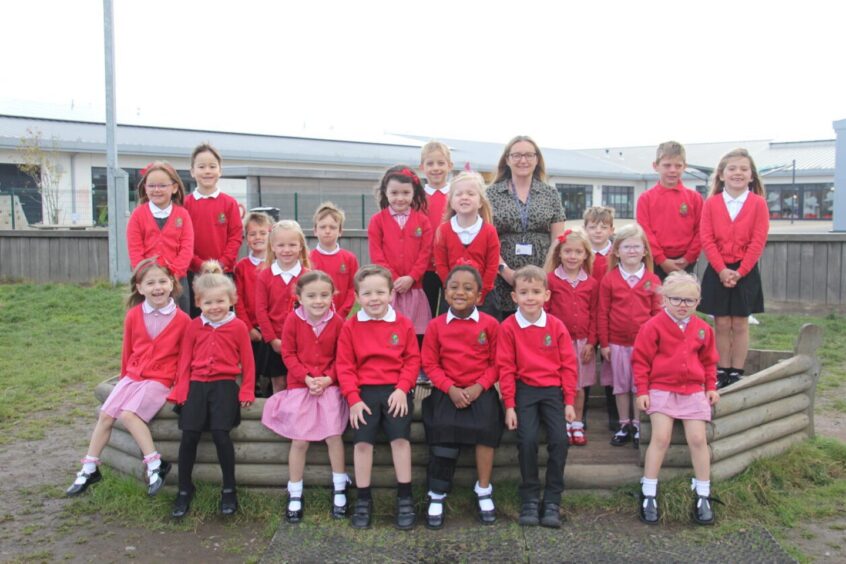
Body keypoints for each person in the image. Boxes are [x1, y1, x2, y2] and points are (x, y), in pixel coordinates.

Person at [66, 258, 190, 497]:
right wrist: (124, 382)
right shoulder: (134, 315)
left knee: (128, 414)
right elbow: (127, 351)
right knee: (106, 415)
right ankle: (90, 467)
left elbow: (185, 360)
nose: (157, 287)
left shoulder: (182, 319)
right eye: (150, 283)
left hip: (161, 379)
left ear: (172, 284)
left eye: (163, 281)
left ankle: (156, 465)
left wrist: (179, 391)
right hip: (133, 376)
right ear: (140, 288)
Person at [168, 261, 255, 518]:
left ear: (231, 300)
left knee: (220, 434)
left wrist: (247, 389)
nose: (214, 307)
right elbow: (184, 359)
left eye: (220, 301)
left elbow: (248, 362)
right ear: (198, 303)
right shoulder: (194, 326)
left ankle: (229, 488)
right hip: (197, 385)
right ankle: (184, 489)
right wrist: (181, 390)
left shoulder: (237, 326)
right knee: (189, 435)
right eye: (208, 303)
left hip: (224, 385)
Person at [335, 265, 420, 530]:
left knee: (400, 440)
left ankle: (405, 498)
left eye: (380, 292)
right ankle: (363, 499)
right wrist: (353, 398)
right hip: (363, 392)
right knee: (362, 444)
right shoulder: (350, 327)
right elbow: (344, 366)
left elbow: (412, 360)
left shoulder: (403, 324)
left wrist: (402, 388)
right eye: (367, 293)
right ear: (358, 297)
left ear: (390, 294)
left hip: (396, 390)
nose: (374, 298)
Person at [261, 271, 350, 523]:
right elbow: (288, 354)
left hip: (329, 385)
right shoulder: (293, 320)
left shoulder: (338, 322)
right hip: (302, 385)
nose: (318, 301)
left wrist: (329, 379)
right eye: (311, 296)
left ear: (332, 296)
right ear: (299, 297)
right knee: (299, 441)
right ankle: (295, 490)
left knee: (334, 436)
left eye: (324, 295)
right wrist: (307, 378)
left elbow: (341, 356)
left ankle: (340, 486)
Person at [634, 272, 720, 525]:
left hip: (692, 390)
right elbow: (641, 361)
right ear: (664, 299)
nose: (683, 305)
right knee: (661, 437)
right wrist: (642, 391)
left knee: (697, 438)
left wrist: (710, 386)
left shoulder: (703, 329)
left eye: (689, 301)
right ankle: (649, 491)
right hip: (662, 388)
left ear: (698, 302)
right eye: (676, 299)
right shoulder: (652, 327)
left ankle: (702, 493)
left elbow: (709, 362)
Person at [421, 265, 503, 529]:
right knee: (443, 427)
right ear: (445, 293)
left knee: (486, 427)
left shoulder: (490, 324)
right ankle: (437, 492)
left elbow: (497, 363)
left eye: (468, 288)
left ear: (479, 296)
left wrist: (479, 387)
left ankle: (483, 488)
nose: (460, 292)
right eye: (454, 287)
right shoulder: (435, 326)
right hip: (448, 390)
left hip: (480, 388)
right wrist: (450, 388)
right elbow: (430, 364)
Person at [498, 265, 578, 529]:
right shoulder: (509, 327)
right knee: (528, 439)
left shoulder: (555, 326)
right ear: (514, 297)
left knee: (559, 440)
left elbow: (568, 365)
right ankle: (530, 497)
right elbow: (506, 368)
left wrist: (569, 401)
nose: (529, 297)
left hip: (553, 392)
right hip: (525, 391)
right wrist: (509, 405)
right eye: (523, 292)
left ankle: (553, 499)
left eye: (535, 291)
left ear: (546, 295)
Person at [699, 148, 769, 388]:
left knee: (740, 323)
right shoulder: (711, 204)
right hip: (717, 269)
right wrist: (721, 270)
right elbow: (706, 238)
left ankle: (736, 371)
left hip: (745, 272)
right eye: (732, 168)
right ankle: (722, 370)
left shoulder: (758, 204)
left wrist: (740, 272)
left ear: (751, 176)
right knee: (721, 323)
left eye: (743, 169)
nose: (737, 173)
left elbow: (758, 241)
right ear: (721, 174)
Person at [597, 224, 662, 449]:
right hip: (616, 344)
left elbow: (657, 315)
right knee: (621, 385)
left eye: (637, 246)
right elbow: (602, 313)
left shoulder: (652, 280)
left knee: (639, 385)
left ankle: (638, 425)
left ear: (645, 251)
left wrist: (655, 344)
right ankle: (624, 424)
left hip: (643, 347)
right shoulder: (610, 280)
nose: (632, 251)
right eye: (627, 247)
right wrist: (604, 343)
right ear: (616, 251)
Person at [488, 136, 566, 320]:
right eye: (516, 155)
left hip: (540, 281)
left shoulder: (550, 194)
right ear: (507, 159)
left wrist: (543, 275)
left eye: (529, 155)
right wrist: (505, 272)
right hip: (501, 280)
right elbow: (486, 239)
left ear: (537, 159)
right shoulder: (490, 194)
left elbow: (558, 239)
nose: (523, 160)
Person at [367, 165, 433, 346]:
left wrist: (411, 277)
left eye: (405, 193)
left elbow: (425, 253)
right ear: (385, 193)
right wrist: (394, 279)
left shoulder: (423, 221)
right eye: (394, 193)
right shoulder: (377, 221)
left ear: (414, 193)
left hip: (415, 287)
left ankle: (417, 366)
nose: (400, 198)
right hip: (391, 288)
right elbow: (377, 254)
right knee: (390, 330)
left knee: (417, 331)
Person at [544, 228, 598, 447]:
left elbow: (594, 314)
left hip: (582, 342)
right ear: (560, 253)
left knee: (579, 387)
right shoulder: (551, 280)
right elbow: (545, 312)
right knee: (562, 385)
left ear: (585, 255)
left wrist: (592, 343)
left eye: (578, 252)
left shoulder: (591, 283)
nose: (573, 256)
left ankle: (577, 423)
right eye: (568, 251)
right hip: (560, 343)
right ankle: (563, 424)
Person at [184, 143, 243, 317]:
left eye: (212, 166)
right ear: (192, 171)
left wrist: (222, 264)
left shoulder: (229, 203)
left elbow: (235, 236)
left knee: (223, 317)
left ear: (220, 170)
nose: (207, 171)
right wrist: (199, 265)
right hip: (194, 274)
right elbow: (182, 241)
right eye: (201, 167)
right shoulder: (185, 204)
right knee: (198, 318)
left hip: (223, 273)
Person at [126, 162, 194, 312]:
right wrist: (147, 277)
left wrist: (172, 278)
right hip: (148, 283)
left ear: (174, 188)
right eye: (151, 186)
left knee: (179, 327)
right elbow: (135, 251)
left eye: (162, 186)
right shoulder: (137, 216)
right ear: (145, 188)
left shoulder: (183, 215)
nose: (156, 190)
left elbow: (186, 249)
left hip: (177, 282)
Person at [433, 171, 500, 316]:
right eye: (458, 194)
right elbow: (441, 265)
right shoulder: (443, 231)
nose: (464, 197)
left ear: (481, 201)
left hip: (483, 299)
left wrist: (481, 292)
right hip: (453, 297)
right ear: (451, 201)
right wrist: (453, 289)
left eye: (470, 194)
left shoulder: (489, 231)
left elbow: (492, 266)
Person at [255, 220, 310, 394]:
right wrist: (272, 340)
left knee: (299, 383)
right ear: (273, 247)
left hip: (301, 343)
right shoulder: (265, 276)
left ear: (300, 246)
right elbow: (261, 310)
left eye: (292, 245)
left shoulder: (307, 276)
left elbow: (313, 310)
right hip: (275, 342)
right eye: (281, 245)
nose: (286, 250)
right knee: (279, 384)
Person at [636, 141, 703, 281]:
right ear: (656, 166)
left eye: (678, 166)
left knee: (683, 301)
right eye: (667, 165)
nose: (673, 170)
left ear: (685, 167)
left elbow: (701, 231)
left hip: (686, 264)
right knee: (655, 302)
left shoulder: (695, 198)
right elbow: (645, 232)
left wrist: (688, 258)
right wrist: (661, 259)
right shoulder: (645, 199)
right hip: (654, 262)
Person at [582, 206, 619, 431]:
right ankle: (579, 413)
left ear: (611, 229)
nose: (598, 231)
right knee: (583, 364)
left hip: (609, 317)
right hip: (585, 316)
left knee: (611, 365)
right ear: (585, 229)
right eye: (593, 227)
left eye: (603, 227)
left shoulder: (616, 254)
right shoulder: (580, 252)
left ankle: (615, 414)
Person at [233, 211, 273, 397]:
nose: (258, 237)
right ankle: (253, 385)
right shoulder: (241, 266)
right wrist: (248, 327)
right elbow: (238, 299)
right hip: (251, 326)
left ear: (270, 234)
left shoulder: (277, 264)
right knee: (251, 357)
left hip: (273, 326)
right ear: (246, 238)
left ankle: (272, 384)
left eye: (262, 233)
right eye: (252, 233)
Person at [419, 141, 455, 317]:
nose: (436, 168)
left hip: (451, 264)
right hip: (424, 268)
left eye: (441, 163)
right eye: (430, 163)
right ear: (422, 167)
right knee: (425, 314)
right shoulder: (417, 198)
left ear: (450, 166)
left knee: (451, 311)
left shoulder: (456, 195)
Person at [309, 202, 359, 319]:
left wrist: (341, 313)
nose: (327, 231)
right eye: (322, 227)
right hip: (314, 318)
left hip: (340, 318)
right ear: (315, 231)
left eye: (332, 227)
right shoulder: (307, 259)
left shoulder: (349, 259)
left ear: (340, 231)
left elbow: (352, 289)